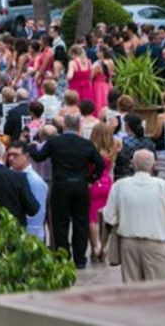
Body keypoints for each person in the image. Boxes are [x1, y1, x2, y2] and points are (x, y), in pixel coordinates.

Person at [29, 113, 105, 269]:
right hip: (80, 185)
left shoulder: (55, 142)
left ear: (64, 126)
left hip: (61, 185)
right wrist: (91, 178)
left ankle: (62, 257)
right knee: (81, 222)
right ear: (79, 126)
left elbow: (38, 157)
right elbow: (100, 164)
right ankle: (80, 259)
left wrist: (31, 146)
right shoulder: (86, 144)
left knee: (60, 223)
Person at [100, 149, 165, 282]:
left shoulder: (120, 186)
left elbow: (109, 217)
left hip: (128, 244)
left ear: (133, 164)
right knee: (158, 288)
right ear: (153, 164)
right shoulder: (162, 186)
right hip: (155, 243)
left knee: (132, 289)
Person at [87, 121, 120, 262]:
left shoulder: (90, 150)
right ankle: (105, 245)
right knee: (106, 216)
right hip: (108, 184)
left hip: (93, 184)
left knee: (92, 217)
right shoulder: (113, 149)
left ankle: (95, 245)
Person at [7, 140, 48, 242]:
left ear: (27, 156)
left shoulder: (34, 180)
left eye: (15, 155)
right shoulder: (7, 175)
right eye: (9, 155)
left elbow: (37, 214)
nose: (11, 158)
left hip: (28, 236)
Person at [114, 113, 154, 180]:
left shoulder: (124, 142)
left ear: (127, 126)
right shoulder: (148, 141)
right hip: (147, 172)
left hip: (127, 174)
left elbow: (120, 160)